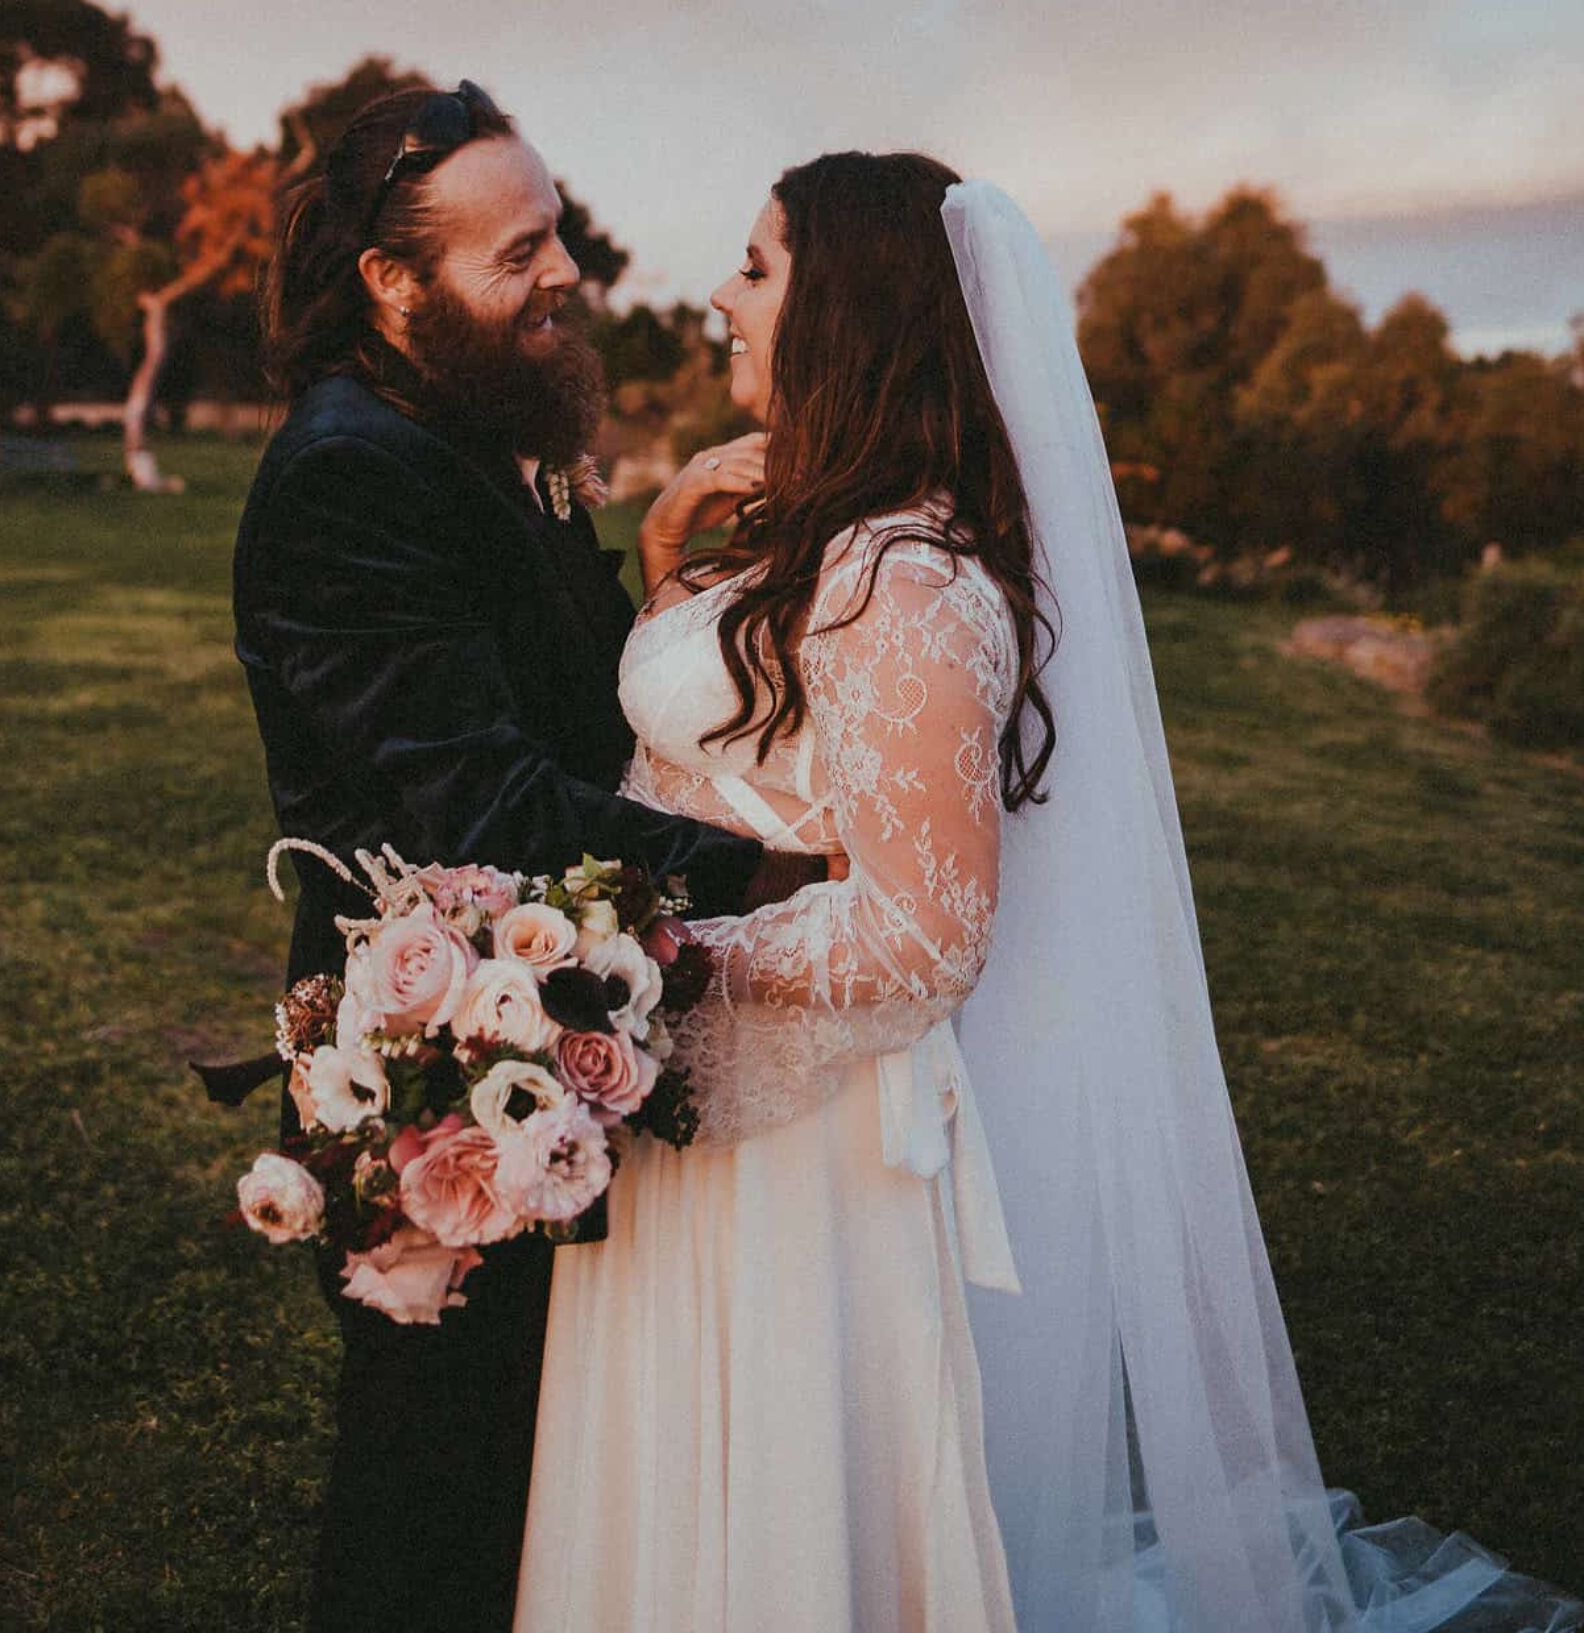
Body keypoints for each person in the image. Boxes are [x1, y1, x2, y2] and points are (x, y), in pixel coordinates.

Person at [515, 153, 1581, 1633]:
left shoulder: (908, 580)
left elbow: (922, 930)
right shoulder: (819, 537)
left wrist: (643, 956)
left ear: (857, 315)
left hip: (799, 1158)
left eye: (757, 267)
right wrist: (663, 566)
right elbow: (714, 755)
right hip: (691, 1110)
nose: (719, 293)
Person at [232, 83, 828, 1633]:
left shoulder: (482, 418)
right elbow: (480, 806)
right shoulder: (351, 471)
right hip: (434, 1069)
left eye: (558, 227)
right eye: (521, 251)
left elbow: (569, 713)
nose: (565, 269)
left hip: (555, 1028)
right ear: (392, 278)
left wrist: (652, 571)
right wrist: (771, 875)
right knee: (436, 1498)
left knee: (538, 1491)